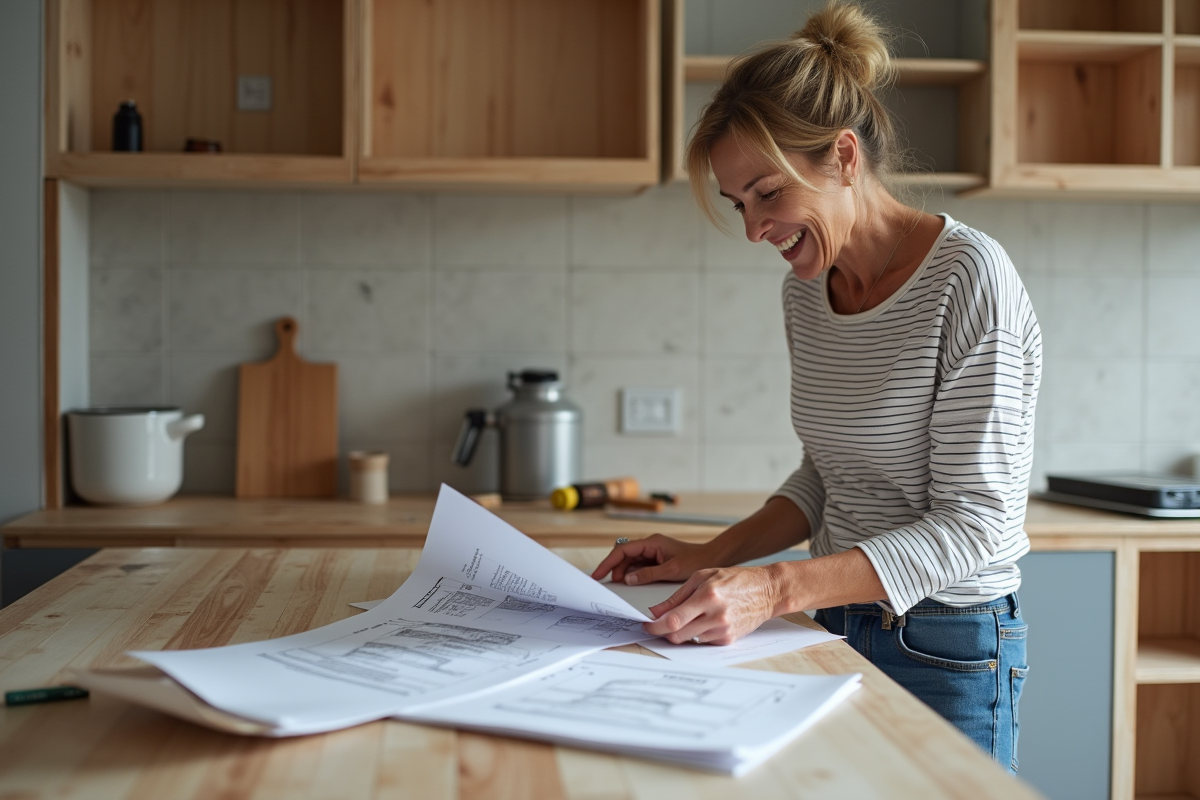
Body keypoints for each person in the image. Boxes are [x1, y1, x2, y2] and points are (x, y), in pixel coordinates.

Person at [591, 1, 1041, 774]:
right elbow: (823, 477)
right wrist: (708, 554)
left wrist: (769, 590)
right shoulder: (808, 292)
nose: (753, 228)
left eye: (767, 194)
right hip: (826, 624)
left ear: (842, 157)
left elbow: (977, 527)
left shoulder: (969, 279)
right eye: (739, 204)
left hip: (946, 646)